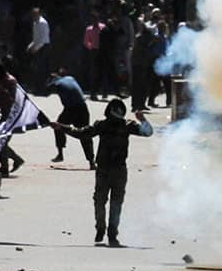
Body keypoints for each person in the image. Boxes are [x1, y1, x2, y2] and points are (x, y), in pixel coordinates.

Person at [52, 99, 152, 247]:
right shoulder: (103, 125)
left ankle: (112, 233)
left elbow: (148, 132)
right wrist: (62, 127)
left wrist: (142, 119)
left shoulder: (127, 126)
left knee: (113, 203)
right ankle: (101, 229)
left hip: (117, 169)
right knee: (102, 201)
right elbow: (82, 133)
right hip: (105, 169)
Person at [47, 70, 95, 169]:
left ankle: (60, 154)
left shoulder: (58, 85)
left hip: (72, 109)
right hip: (83, 107)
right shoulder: (70, 78)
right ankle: (92, 162)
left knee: (58, 126)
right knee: (85, 134)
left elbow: (67, 103)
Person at [0, 63, 25, 177]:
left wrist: (3, 93)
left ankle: (5, 167)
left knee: (1, 141)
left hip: (11, 116)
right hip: (4, 114)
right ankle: (15, 160)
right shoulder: (1, 80)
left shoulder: (10, 81)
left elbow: (12, 99)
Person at [26, 7, 50, 93]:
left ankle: (41, 88)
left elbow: (43, 39)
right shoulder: (35, 23)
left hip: (43, 46)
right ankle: (36, 86)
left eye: (35, 14)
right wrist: (31, 45)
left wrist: (36, 49)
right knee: (34, 67)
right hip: (37, 45)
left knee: (41, 67)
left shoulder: (43, 23)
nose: (34, 16)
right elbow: (36, 37)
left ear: (39, 14)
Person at [82, 12, 105, 99]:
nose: (94, 21)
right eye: (93, 19)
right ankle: (93, 92)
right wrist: (90, 46)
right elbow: (86, 41)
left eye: (96, 19)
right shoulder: (89, 29)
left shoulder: (103, 27)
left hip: (102, 51)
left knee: (102, 71)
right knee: (94, 72)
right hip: (93, 51)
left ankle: (103, 91)